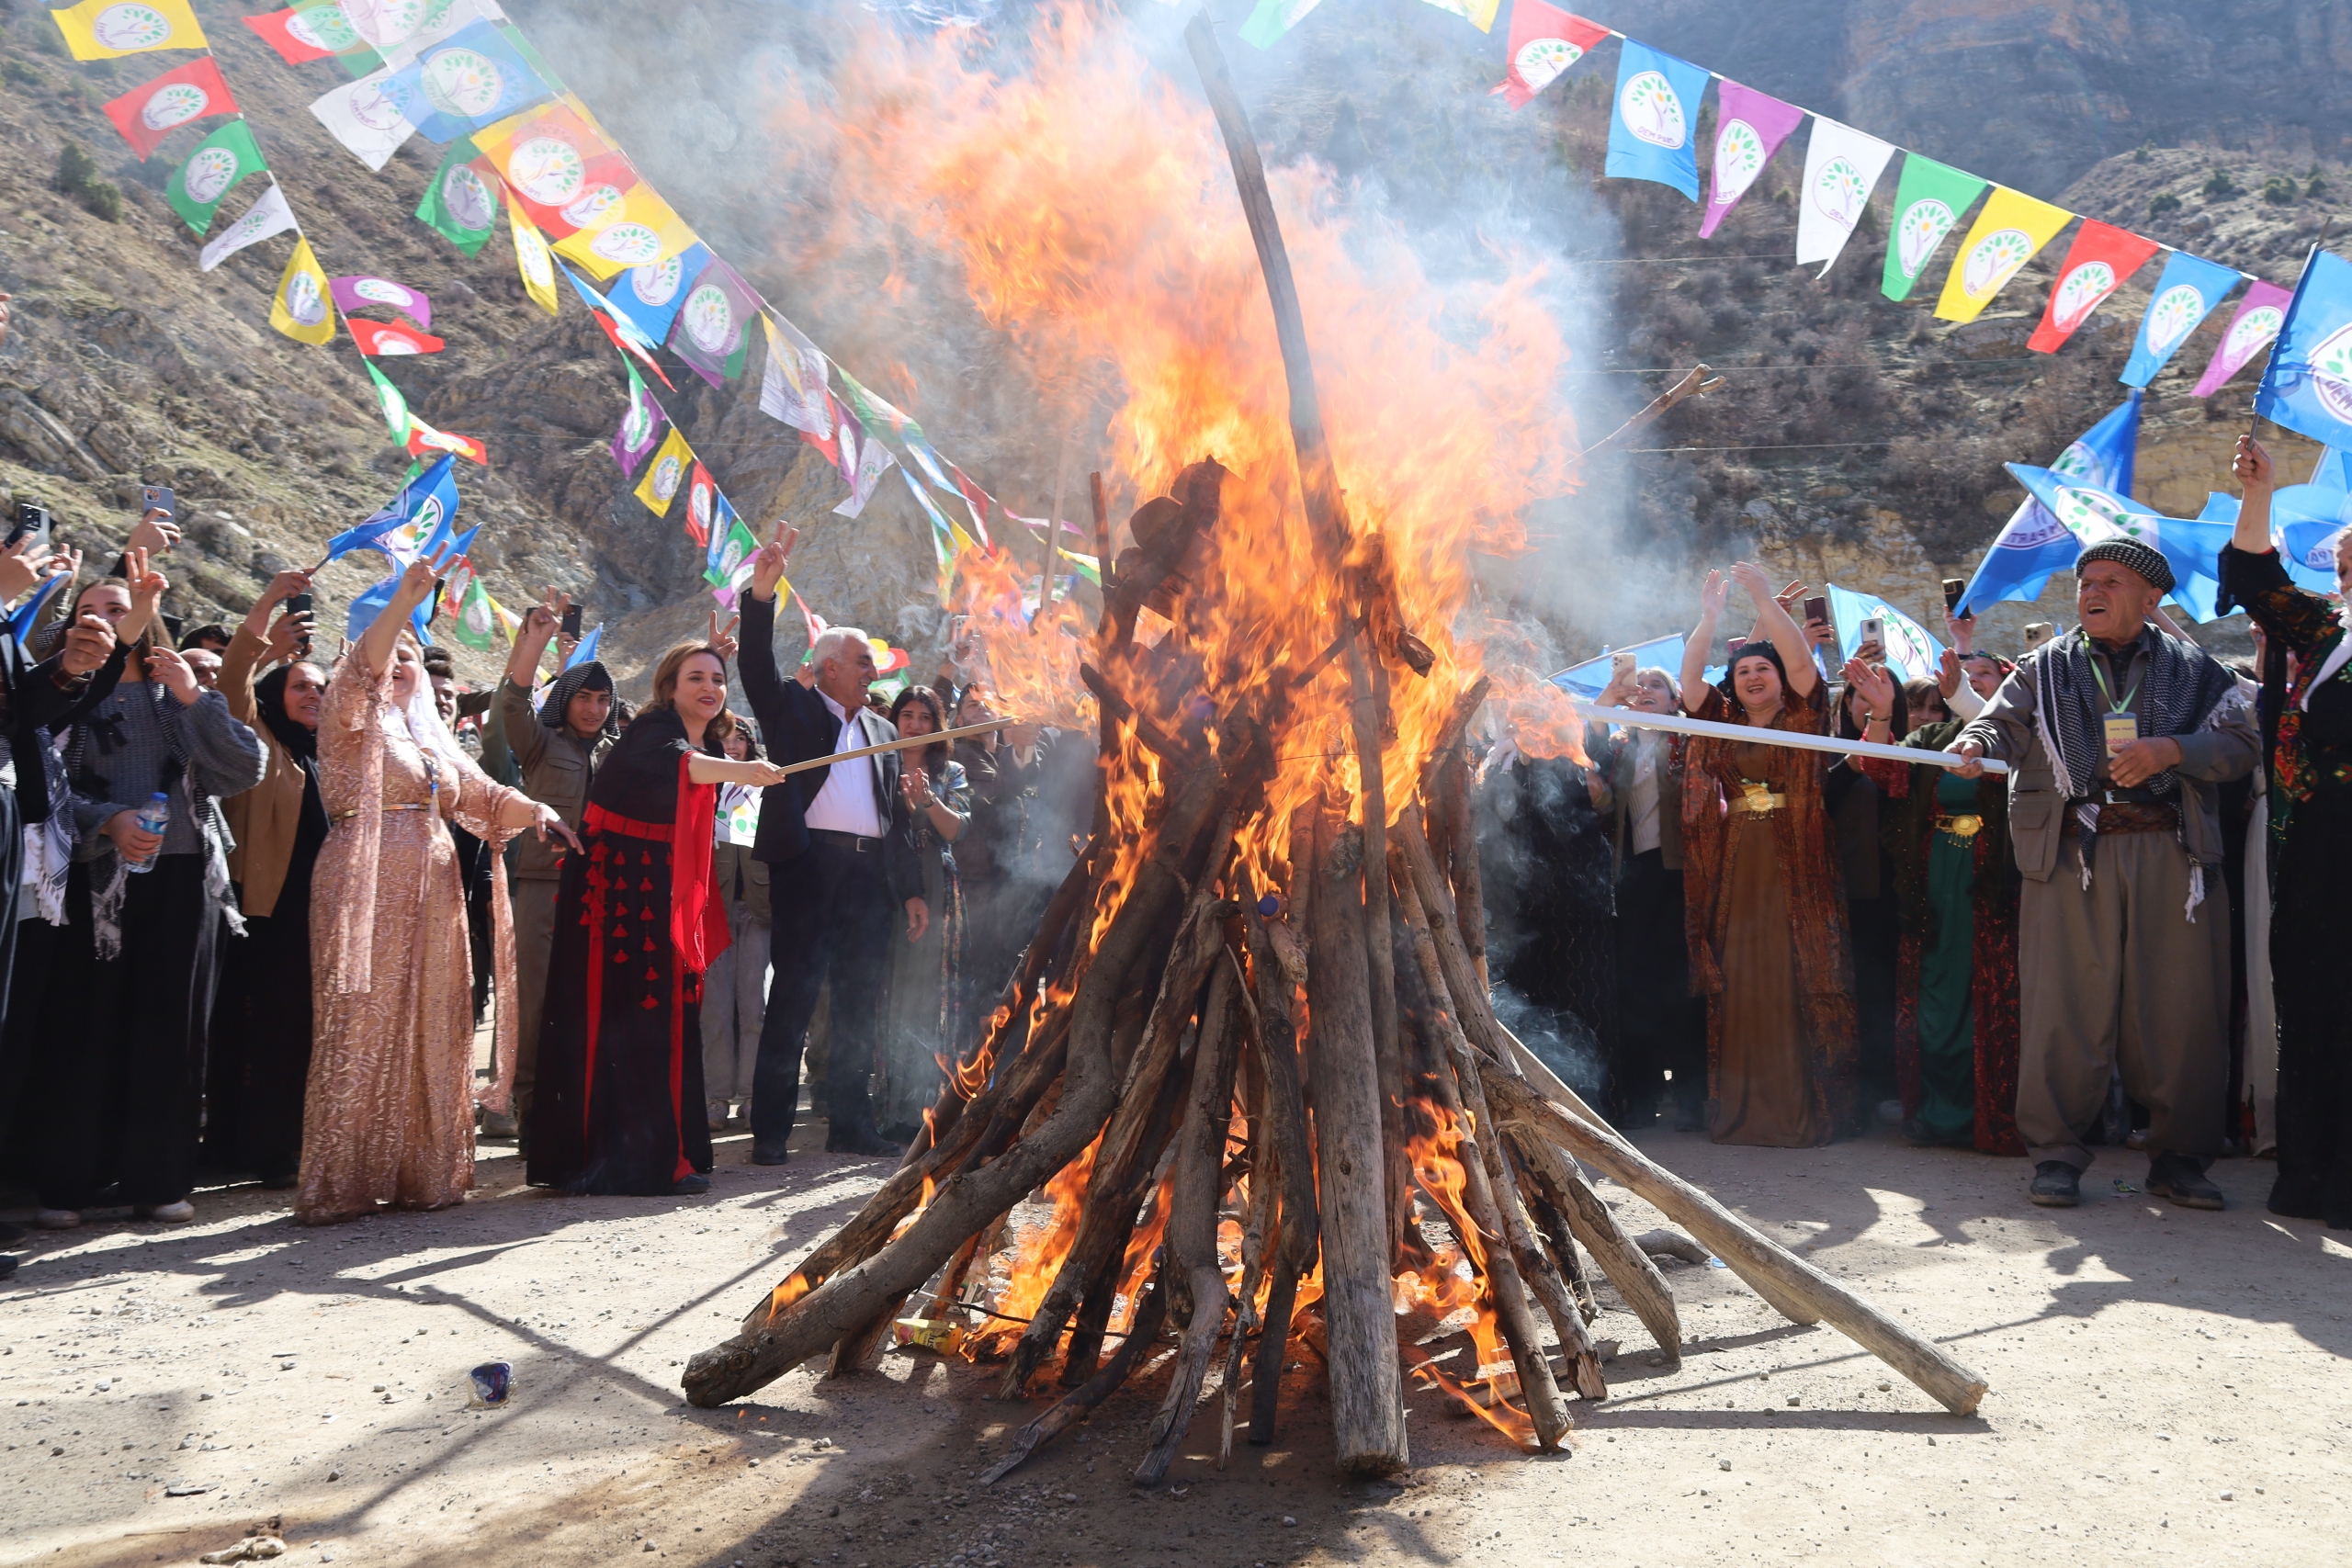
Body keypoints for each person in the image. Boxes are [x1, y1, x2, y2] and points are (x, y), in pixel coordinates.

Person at [1952, 538, 2258, 1210]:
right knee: (2064, 1006)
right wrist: (1972, 743)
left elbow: (2242, 744)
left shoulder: (2198, 668)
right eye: (2086, 579)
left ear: (2152, 600)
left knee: (2182, 1010)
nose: (2091, 590)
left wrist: (2171, 749)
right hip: (2071, 854)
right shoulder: (2044, 665)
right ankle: (2056, 1156)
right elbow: (1998, 723)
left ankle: (2179, 1159)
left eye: (2111, 581)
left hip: (2173, 856)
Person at [300, 551, 571, 1224]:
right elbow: (364, 669)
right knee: (361, 1015)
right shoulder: (349, 715)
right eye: (391, 651)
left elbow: (480, 794)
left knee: (437, 1016)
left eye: (412, 655)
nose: (399, 664)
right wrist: (404, 601)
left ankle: (423, 1171)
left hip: (437, 882)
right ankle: (342, 1178)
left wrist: (536, 811)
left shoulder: (432, 735)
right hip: (363, 877)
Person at [33, 557, 266, 1228]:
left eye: (121, 607)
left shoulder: (175, 693)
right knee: (87, 1026)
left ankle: (159, 1180)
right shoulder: (69, 697)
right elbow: (46, 787)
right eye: (93, 611)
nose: (108, 619)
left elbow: (243, 768)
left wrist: (196, 697)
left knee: (171, 1029)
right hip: (95, 878)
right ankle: (69, 1182)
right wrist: (108, 819)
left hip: (182, 876)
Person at [528, 640, 790, 1195]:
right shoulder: (653, 733)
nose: (709, 689)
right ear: (668, 687)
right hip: (621, 895)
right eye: (695, 678)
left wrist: (735, 767)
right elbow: (685, 767)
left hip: (655, 888)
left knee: (667, 1018)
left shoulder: (695, 739)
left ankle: (666, 1152)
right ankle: (623, 1159)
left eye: (717, 680)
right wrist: (743, 769)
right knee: (631, 1019)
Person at [739, 526, 929, 1161]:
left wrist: (911, 890)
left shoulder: (881, 727)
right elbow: (755, 668)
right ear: (826, 669)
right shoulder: (792, 709)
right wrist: (761, 595)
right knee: (793, 994)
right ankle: (770, 1132)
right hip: (810, 867)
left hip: (869, 876)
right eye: (863, 662)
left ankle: (851, 1123)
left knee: (857, 1002)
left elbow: (895, 818)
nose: (873, 671)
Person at [1677, 563, 1861, 1147]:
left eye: (1764, 669)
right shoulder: (1722, 725)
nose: (1754, 676)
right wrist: (1709, 618)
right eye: (1744, 671)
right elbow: (1689, 687)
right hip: (1737, 861)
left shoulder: (1803, 719)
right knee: (1742, 975)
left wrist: (1763, 601)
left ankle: (1794, 1107)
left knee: (1792, 972)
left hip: (1797, 860)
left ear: (1781, 680)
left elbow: (1804, 665)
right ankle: (1741, 1107)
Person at [2220, 436, 2352, 1227]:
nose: (2346, 577)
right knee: (2313, 1004)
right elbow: (2255, 580)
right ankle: (2314, 1174)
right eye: (2342, 567)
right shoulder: (2328, 638)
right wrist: (2260, 492)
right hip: (2319, 854)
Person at [1850, 660, 2026, 1154]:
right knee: (1934, 998)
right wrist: (1882, 713)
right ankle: (1934, 1113)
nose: (1968, 680)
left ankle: (1991, 1117)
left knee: (1990, 994)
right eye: (1962, 674)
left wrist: (1975, 706)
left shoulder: (2023, 733)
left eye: (1983, 675)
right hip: (1934, 880)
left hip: (1994, 884)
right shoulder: (1931, 738)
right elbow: (1881, 770)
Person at [204, 570, 327, 1189]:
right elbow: (232, 683)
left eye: (320, 689)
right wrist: (266, 612)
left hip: (312, 916)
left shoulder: (323, 753)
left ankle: (280, 1144)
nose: (313, 695)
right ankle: (237, 1145)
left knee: (294, 1031)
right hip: (259, 910)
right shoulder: (253, 735)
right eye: (301, 685)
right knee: (246, 1029)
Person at [487, 596, 617, 1139]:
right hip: (542, 887)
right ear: (566, 700)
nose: (593, 708)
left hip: (601, 894)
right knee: (535, 1003)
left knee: (590, 1005)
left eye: (603, 699)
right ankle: (528, 1113)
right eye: (583, 697)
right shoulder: (541, 744)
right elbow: (510, 706)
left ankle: (579, 1114)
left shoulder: (617, 752)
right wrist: (534, 645)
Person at [1589, 664, 1704, 1127]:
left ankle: (1692, 1097)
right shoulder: (1620, 749)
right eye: (1642, 686)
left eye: (1658, 685)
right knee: (1635, 987)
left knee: (1682, 984)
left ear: (1677, 702)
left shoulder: (1691, 743)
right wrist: (1609, 698)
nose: (1647, 690)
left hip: (1680, 875)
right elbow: (1587, 753)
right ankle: (1641, 1094)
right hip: (1632, 875)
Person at [875, 684, 971, 1142]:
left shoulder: (950, 771)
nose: (914, 724)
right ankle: (887, 1106)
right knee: (888, 989)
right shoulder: (879, 764)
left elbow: (956, 831)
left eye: (925, 717)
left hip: (936, 887)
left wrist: (928, 801)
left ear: (937, 726)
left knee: (930, 995)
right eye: (906, 714)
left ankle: (925, 1107)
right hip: (886, 886)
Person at [1825, 672, 1909, 1110]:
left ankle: (1887, 1089)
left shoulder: (1912, 748)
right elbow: (1817, 800)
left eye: (1877, 693)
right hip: (1836, 895)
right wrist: (1850, 765)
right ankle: (1847, 1093)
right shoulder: (1826, 748)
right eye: (1856, 694)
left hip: (1893, 897)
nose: (1865, 700)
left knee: (1885, 994)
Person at [702, 717, 772, 1132]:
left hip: (758, 911)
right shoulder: (706, 785)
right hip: (715, 912)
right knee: (715, 1009)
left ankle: (752, 1094)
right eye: (725, 738)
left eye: (741, 737)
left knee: (754, 1008)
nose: (733, 744)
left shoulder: (766, 785)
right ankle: (715, 1097)